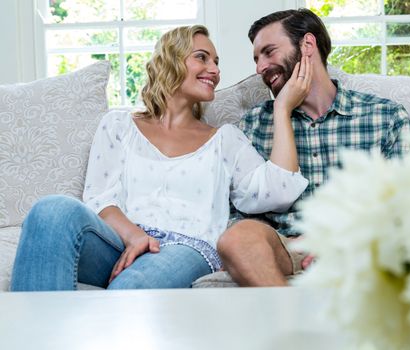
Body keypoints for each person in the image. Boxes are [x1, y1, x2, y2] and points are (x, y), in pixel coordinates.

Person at [10, 24, 311, 291]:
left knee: (132, 288)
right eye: (202, 57)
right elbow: (102, 200)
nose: (215, 70)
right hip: (119, 243)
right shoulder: (118, 125)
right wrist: (134, 235)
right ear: (171, 60)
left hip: (187, 248)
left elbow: (278, 190)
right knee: (50, 210)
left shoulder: (225, 139)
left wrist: (282, 109)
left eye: (217, 62)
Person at [216, 9, 410, 286]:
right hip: (286, 249)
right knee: (237, 239)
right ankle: (291, 321)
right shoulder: (254, 124)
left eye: (269, 52)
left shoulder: (384, 116)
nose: (260, 67)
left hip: (360, 243)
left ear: (308, 45)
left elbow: (407, 202)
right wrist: (282, 107)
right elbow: (236, 214)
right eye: (256, 59)